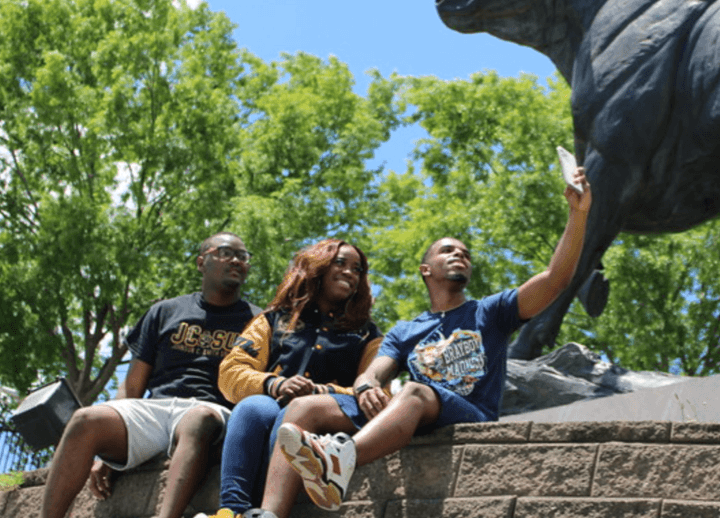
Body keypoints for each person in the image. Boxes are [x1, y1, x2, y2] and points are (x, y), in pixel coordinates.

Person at [251, 168, 591, 518]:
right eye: (448, 251)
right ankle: (269, 513)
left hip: (469, 414)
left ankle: (342, 460)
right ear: (426, 269)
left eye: (465, 254)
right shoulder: (404, 331)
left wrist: (578, 214)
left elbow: (555, 280)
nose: (460, 255)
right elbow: (374, 373)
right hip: (412, 412)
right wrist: (366, 386)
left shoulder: (490, 312)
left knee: (414, 391)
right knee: (304, 407)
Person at [40, 232, 262, 518]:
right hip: (155, 408)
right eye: (225, 252)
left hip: (212, 411)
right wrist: (104, 451)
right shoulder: (165, 311)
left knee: (198, 419)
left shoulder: (259, 323)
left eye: (243, 256)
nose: (236, 260)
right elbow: (133, 386)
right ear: (201, 262)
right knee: (85, 419)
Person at [195, 238, 383, 518]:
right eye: (340, 263)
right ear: (316, 266)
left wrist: (322, 391)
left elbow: (374, 391)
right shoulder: (273, 320)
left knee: (290, 418)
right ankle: (231, 511)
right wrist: (276, 383)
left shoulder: (368, 334)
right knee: (252, 407)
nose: (349, 273)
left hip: (325, 418)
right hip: (272, 401)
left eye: (357, 269)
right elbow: (231, 372)